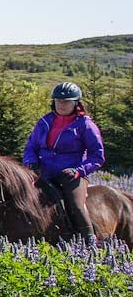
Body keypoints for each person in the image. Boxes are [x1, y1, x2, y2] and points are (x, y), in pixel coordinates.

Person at [22, 82, 105, 241]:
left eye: (66, 101)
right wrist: (30, 161)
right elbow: (31, 146)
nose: (61, 104)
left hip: (71, 175)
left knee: (76, 205)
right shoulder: (44, 122)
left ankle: (89, 240)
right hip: (44, 173)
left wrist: (79, 171)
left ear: (76, 103)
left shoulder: (85, 125)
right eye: (58, 101)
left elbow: (97, 156)